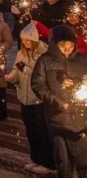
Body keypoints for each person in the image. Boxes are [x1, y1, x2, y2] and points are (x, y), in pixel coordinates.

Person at [32, 25, 87, 177]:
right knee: (63, 162)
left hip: (81, 121)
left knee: (84, 161)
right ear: (55, 45)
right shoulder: (45, 61)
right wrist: (56, 101)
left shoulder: (82, 61)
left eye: (70, 45)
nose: (67, 49)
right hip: (57, 118)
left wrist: (76, 84)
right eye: (63, 46)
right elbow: (37, 84)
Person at [4, 23, 55, 175]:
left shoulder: (44, 53)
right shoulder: (21, 53)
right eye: (23, 40)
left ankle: (48, 163)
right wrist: (11, 77)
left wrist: (25, 69)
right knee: (31, 131)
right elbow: (16, 69)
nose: (25, 43)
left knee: (42, 132)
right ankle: (36, 159)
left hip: (38, 99)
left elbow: (41, 75)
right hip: (24, 98)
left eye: (28, 40)